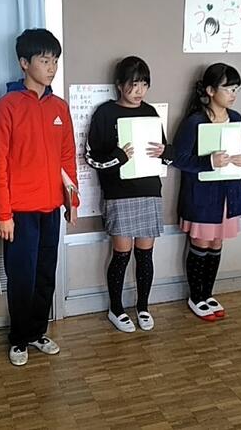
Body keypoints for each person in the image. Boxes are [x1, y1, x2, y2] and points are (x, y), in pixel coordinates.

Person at [0, 28, 79, 366]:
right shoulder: (5, 107)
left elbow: (67, 159)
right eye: (44, 60)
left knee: (45, 273)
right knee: (22, 277)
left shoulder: (59, 107)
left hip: (51, 207)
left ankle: (39, 332)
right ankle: (19, 338)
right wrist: (3, 214)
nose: (51, 67)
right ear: (24, 63)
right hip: (19, 213)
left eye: (55, 61)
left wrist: (72, 202)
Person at [86, 56, 173, 332]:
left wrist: (166, 152)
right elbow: (91, 158)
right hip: (119, 193)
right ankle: (116, 308)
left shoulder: (150, 111)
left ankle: (143, 307)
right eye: (133, 84)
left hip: (149, 190)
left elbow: (165, 153)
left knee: (145, 255)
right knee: (121, 254)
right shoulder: (105, 113)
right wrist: (119, 157)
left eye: (144, 84)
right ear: (119, 85)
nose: (139, 91)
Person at [172, 63, 241, 321]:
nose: (233, 94)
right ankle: (196, 297)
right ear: (210, 90)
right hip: (202, 196)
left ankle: (208, 293)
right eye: (228, 88)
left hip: (229, 194)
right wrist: (209, 162)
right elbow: (178, 158)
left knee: (217, 243)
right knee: (201, 243)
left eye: (236, 89)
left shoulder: (236, 118)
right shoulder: (195, 120)